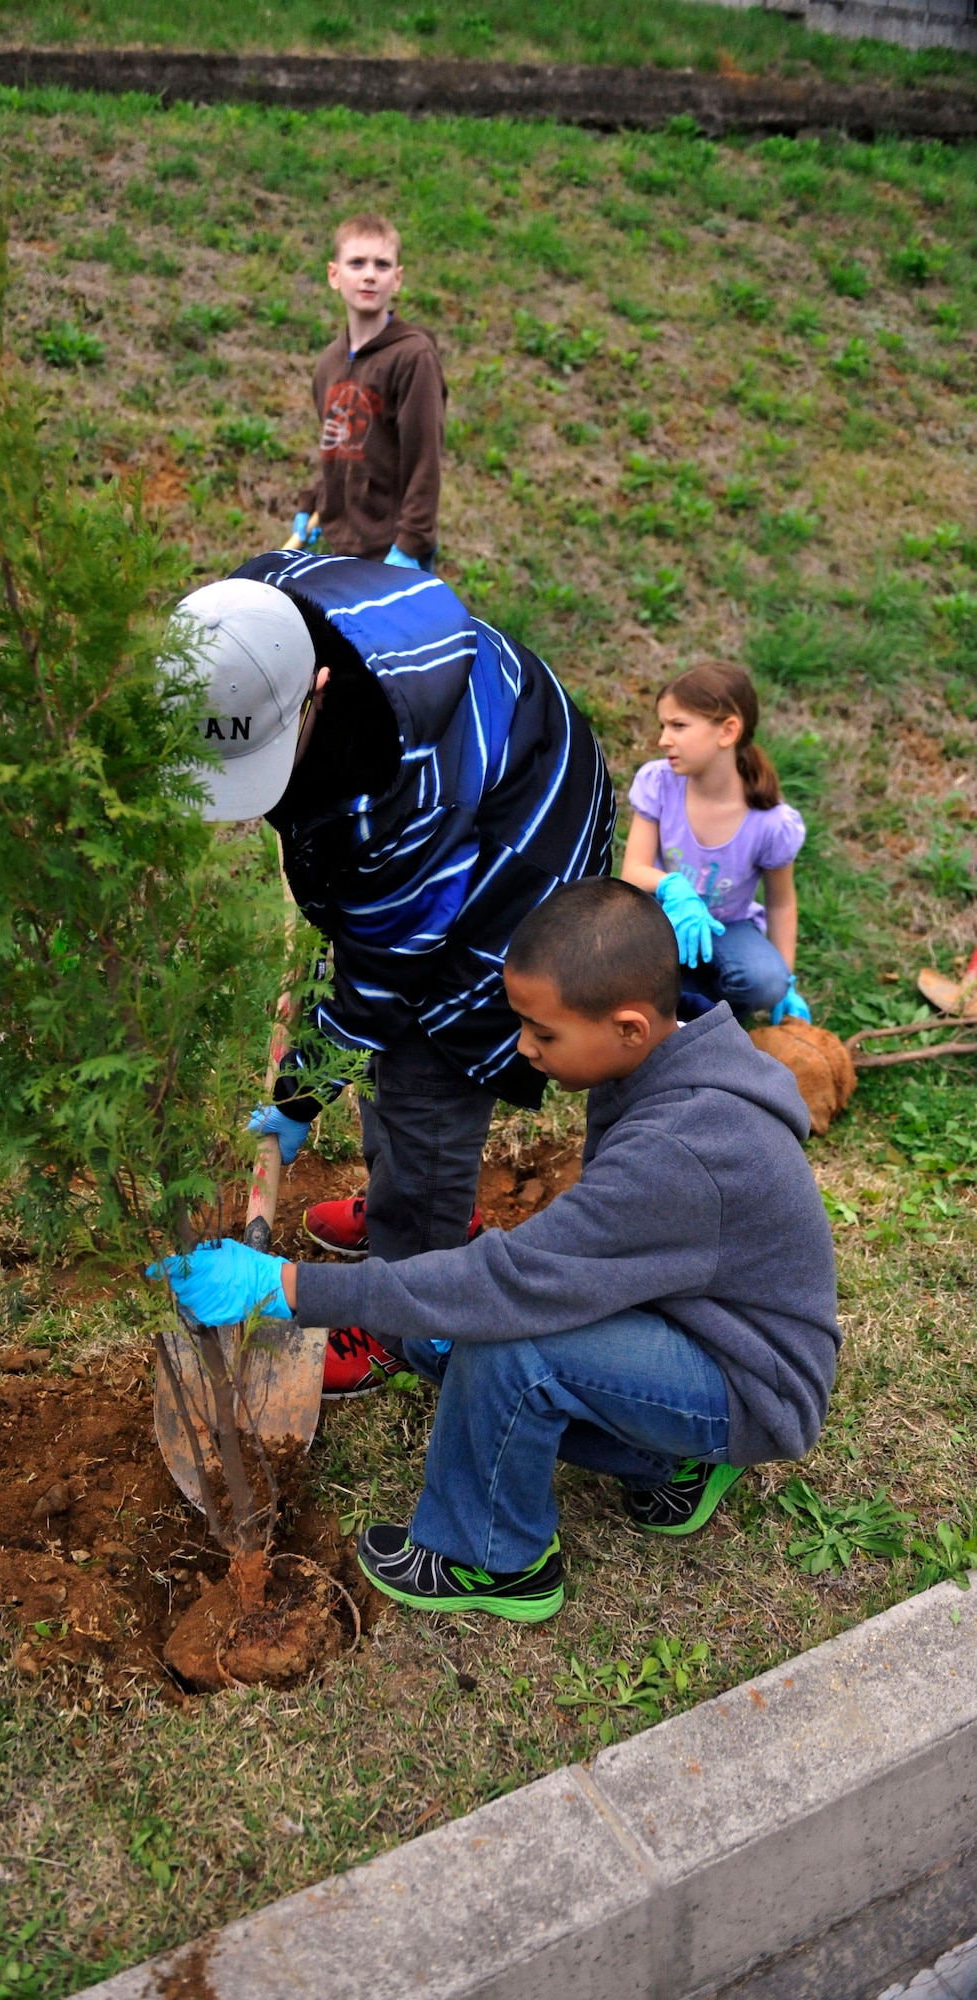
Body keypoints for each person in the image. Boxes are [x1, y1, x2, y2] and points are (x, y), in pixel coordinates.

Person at [150, 878, 840, 1625]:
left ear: (630, 1027)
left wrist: (287, 1286)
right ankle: (669, 1457)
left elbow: (513, 1285)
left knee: (508, 1346)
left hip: (754, 1382)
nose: (524, 1047)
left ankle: (493, 1558)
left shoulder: (679, 1151)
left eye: (544, 1034)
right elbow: (578, 1258)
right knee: (441, 1337)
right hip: (700, 1323)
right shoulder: (669, 1066)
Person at [163, 554, 616, 1398]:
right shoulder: (257, 615)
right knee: (381, 1057)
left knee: (427, 1073)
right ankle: (397, 1203)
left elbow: (383, 975)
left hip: (518, 861)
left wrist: (300, 1095)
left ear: (319, 688)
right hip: (481, 782)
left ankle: (407, 1303)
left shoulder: (398, 793)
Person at [621, 664, 810, 1023]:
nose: (663, 739)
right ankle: (694, 1001)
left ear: (728, 731)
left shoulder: (770, 822)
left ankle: (691, 999)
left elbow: (781, 903)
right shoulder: (659, 784)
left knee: (767, 981)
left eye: (678, 726)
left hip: (729, 924)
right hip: (665, 915)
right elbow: (633, 871)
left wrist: (788, 980)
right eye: (663, 726)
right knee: (622, 959)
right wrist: (671, 885)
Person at [290, 214, 445, 572]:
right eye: (357, 263)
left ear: (398, 279)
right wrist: (314, 500)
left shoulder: (413, 357)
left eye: (382, 264)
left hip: (391, 551)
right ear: (334, 274)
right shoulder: (329, 364)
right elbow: (344, 449)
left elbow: (426, 459)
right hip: (340, 550)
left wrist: (409, 546)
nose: (370, 274)